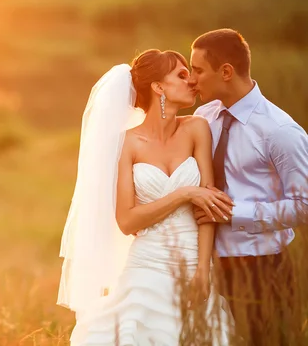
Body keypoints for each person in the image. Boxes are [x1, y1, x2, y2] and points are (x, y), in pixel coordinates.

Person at [58, 49, 234, 345]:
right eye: (181, 75)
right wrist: (183, 193)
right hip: (145, 266)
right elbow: (127, 221)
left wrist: (204, 269)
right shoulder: (127, 144)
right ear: (158, 87)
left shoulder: (196, 128)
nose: (191, 81)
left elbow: (209, 207)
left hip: (194, 262)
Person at [190, 28, 308, 345]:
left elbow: (304, 205)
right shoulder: (203, 116)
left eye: (198, 70)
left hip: (262, 271)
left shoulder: (280, 130)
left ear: (226, 72)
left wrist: (234, 213)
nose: (191, 79)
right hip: (207, 268)